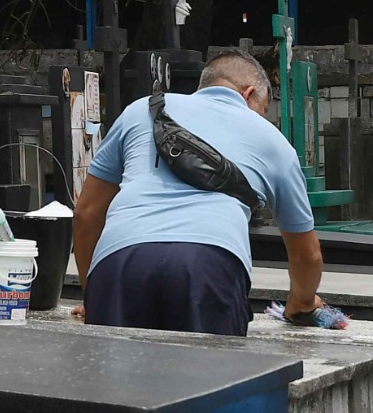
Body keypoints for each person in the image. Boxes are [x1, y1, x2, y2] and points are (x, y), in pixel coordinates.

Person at [72, 51, 324, 337]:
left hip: (118, 262)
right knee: (209, 378)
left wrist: (93, 296)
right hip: (208, 265)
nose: (262, 118)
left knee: (114, 379)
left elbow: (86, 213)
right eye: (264, 109)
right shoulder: (274, 142)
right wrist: (300, 303)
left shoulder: (141, 110)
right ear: (250, 94)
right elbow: (307, 255)